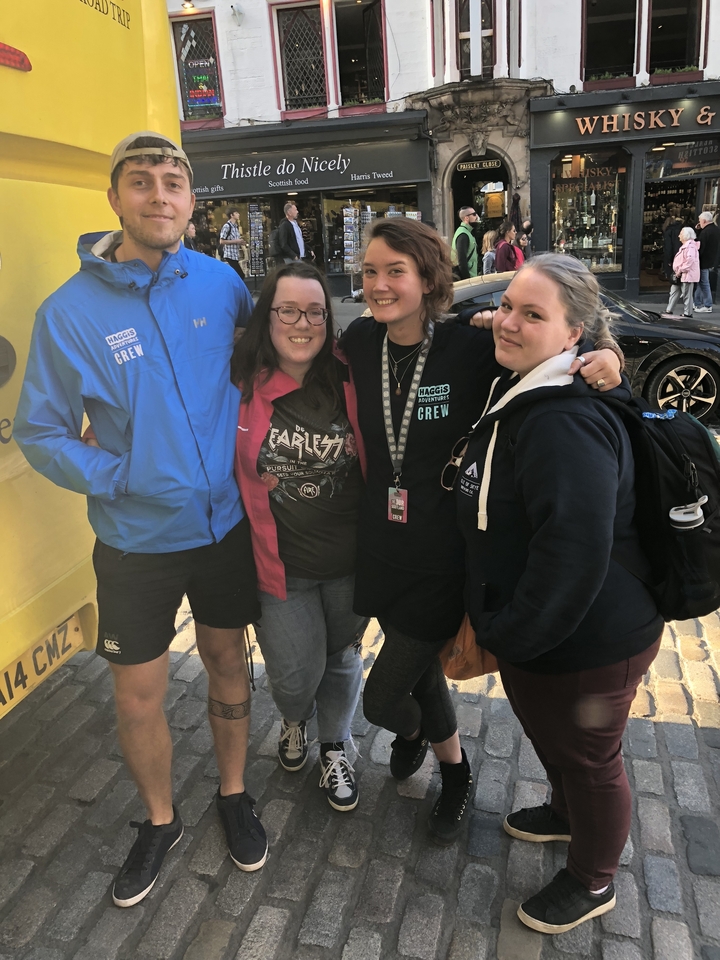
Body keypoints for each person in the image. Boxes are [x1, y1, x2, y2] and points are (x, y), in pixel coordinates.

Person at [13, 132, 268, 908]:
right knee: (137, 697)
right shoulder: (68, 313)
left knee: (229, 667)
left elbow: (271, 368)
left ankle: (231, 792)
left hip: (224, 531)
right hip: (135, 544)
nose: (160, 195)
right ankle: (160, 819)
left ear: (192, 203)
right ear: (115, 197)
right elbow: (40, 431)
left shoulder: (224, 285)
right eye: (142, 181)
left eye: (174, 182)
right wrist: (116, 474)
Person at [339, 218, 622, 846]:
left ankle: (437, 752)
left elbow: (553, 364)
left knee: (383, 700)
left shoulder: (472, 347)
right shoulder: (359, 340)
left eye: (396, 272)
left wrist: (607, 358)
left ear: (429, 279)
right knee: (420, 672)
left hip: (444, 559)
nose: (379, 285)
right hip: (382, 549)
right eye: (369, 272)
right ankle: (451, 768)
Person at [456, 254, 662, 935]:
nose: (508, 321)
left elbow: (572, 553)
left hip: (588, 637)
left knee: (592, 758)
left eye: (532, 314)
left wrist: (511, 636)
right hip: (554, 632)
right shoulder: (532, 383)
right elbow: (468, 316)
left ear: (573, 333)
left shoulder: (561, 421)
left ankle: (593, 876)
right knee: (558, 738)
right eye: (507, 304)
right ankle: (565, 815)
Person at [232, 262, 368, 811]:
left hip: (353, 560)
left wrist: (601, 351)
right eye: (287, 309)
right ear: (268, 318)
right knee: (293, 676)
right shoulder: (238, 381)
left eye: (315, 311)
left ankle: (335, 742)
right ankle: (294, 721)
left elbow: (432, 340)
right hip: (278, 565)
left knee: (340, 657)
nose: (302, 322)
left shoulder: (354, 368)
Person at [665, 226, 699, 319]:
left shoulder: (690, 246)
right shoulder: (687, 245)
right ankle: (669, 310)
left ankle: (688, 313)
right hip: (680, 274)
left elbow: (689, 261)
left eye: (681, 234)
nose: (679, 236)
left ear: (685, 235)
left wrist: (680, 270)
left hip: (686, 274)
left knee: (687, 294)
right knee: (674, 291)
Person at [694, 211, 720, 312]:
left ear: (704, 221)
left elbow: (701, 246)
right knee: (701, 282)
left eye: (700, 221)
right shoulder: (716, 229)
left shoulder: (705, 232)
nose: (699, 222)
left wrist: (696, 259)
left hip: (703, 260)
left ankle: (707, 305)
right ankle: (697, 302)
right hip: (711, 259)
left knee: (704, 283)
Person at [451, 206, 480, 280]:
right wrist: (467, 279)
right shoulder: (463, 234)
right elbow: (462, 260)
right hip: (466, 279)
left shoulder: (466, 232)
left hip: (469, 277)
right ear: (466, 218)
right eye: (474, 214)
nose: (476, 216)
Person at [219, 208, 247, 279]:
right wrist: (236, 241)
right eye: (236, 213)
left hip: (235, 255)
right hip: (229, 255)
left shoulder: (235, 226)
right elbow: (221, 241)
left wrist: (241, 242)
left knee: (237, 276)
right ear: (231, 215)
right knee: (240, 275)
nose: (239, 214)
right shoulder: (227, 226)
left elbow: (236, 240)